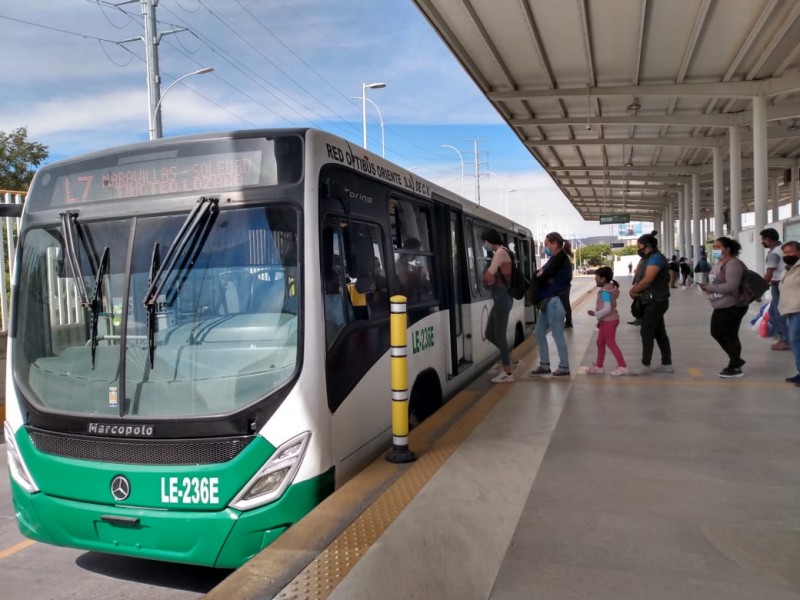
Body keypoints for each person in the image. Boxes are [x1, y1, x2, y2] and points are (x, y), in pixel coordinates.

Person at [699, 237, 748, 378]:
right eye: (713, 246)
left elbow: (732, 286)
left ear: (727, 249)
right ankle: (736, 359)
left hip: (733, 304)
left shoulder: (733, 264)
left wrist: (710, 288)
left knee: (729, 334)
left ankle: (735, 366)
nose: (714, 249)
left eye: (717, 246)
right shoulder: (719, 263)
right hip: (720, 304)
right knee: (716, 332)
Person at [529, 232, 572, 377]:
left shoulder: (560, 259)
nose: (545, 248)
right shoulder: (554, 258)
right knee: (539, 332)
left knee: (557, 334)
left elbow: (544, 275)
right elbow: (538, 275)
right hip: (548, 302)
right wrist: (540, 275)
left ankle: (564, 367)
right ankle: (544, 365)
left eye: (547, 244)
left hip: (555, 301)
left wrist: (542, 275)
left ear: (554, 243)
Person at [628, 233, 673, 375]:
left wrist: (635, 290)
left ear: (647, 246)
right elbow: (640, 277)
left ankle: (645, 365)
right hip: (649, 300)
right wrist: (635, 289)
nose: (638, 249)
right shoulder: (646, 259)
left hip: (656, 300)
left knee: (646, 331)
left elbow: (648, 279)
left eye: (639, 246)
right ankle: (666, 363)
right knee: (659, 332)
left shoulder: (656, 258)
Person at [480, 229, 515, 383]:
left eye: (484, 242)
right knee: (489, 333)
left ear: (489, 240)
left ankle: (507, 373)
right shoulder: (503, 251)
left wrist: (484, 278)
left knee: (499, 334)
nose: (484, 245)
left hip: (502, 298)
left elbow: (489, 275)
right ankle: (507, 359)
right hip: (501, 298)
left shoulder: (500, 253)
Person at [586, 266, 628, 376]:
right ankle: (599, 366)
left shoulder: (605, 292)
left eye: (597, 277)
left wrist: (595, 314)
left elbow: (607, 308)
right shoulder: (611, 288)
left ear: (603, 279)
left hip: (609, 321)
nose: (595, 279)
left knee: (611, 343)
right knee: (600, 342)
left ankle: (622, 366)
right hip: (607, 320)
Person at [760, 228, 789, 351]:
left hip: (778, 286)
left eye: (763, 239)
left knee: (778, 313)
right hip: (786, 284)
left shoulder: (773, 253)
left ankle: (785, 340)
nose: (762, 242)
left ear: (769, 239)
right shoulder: (784, 249)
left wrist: (759, 289)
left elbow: (769, 273)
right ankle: (783, 337)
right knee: (773, 312)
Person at [778, 241, 800, 385]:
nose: (787, 255)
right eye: (785, 253)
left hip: (799, 309)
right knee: (796, 341)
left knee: (794, 340)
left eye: (790, 252)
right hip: (790, 309)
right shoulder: (787, 269)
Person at [561, 260, 573, 329]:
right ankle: (568, 321)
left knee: (565, 304)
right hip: (564, 286)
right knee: (565, 304)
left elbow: (568, 277)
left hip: (564, 286)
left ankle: (568, 322)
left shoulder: (564, 261)